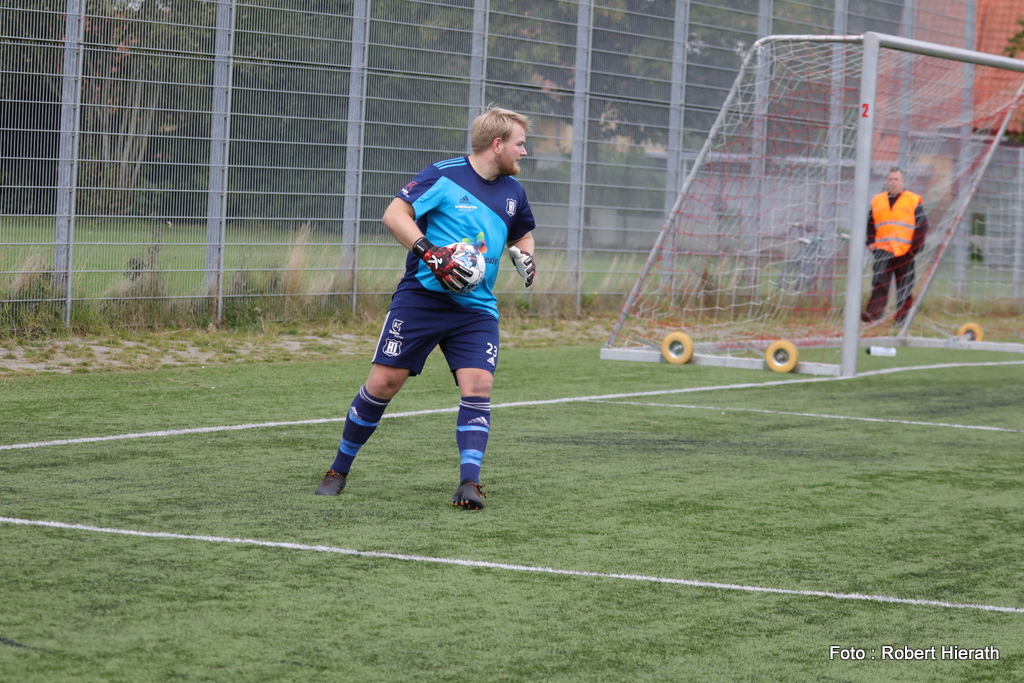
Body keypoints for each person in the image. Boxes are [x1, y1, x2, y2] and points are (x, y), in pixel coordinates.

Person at [314, 107, 537, 510]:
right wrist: (429, 252)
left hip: (476, 309)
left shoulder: (513, 192)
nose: (524, 152)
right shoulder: (443, 175)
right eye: (520, 144)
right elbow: (394, 214)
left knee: (479, 387)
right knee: (383, 384)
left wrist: (524, 255)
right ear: (497, 144)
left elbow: (522, 233)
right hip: (422, 300)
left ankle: (469, 484)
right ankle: (338, 470)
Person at [861, 166, 929, 325]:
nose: (893, 182)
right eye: (890, 179)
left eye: (896, 179)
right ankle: (873, 315)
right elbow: (870, 223)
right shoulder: (878, 200)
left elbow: (922, 226)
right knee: (879, 283)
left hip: (904, 252)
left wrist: (914, 250)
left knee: (904, 286)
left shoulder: (912, 200)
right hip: (882, 250)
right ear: (887, 181)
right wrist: (870, 242)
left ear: (902, 181)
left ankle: (902, 318)